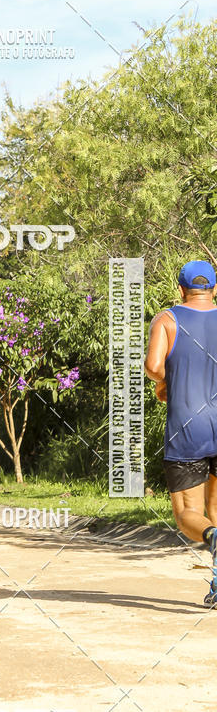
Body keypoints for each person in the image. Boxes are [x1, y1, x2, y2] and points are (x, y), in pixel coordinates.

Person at [145, 259, 217, 607]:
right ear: (214, 288)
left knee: (188, 513)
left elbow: (153, 366)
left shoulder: (167, 319)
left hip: (188, 428)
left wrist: (165, 384)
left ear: (180, 289)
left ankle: (210, 536)